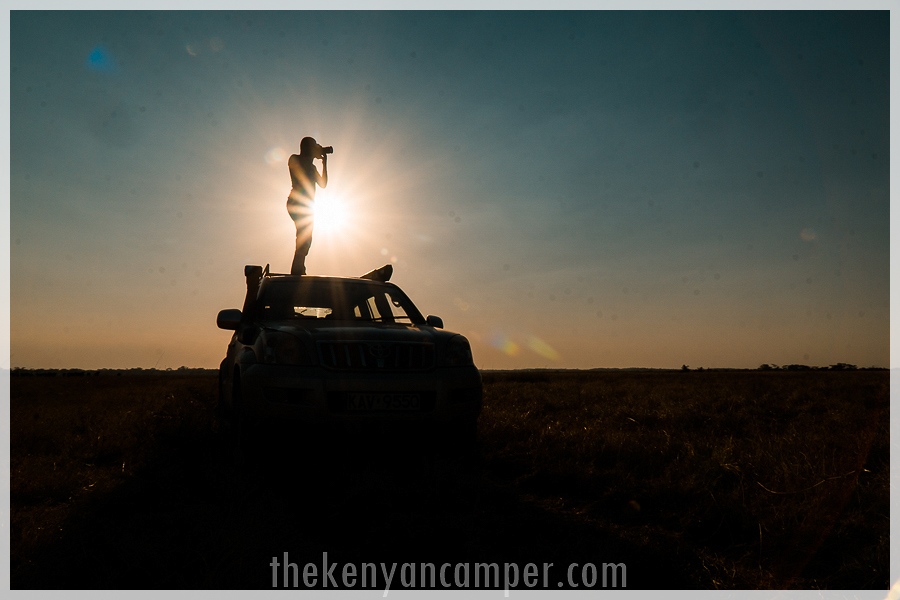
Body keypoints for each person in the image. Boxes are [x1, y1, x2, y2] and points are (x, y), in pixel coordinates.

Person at [287, 136, 328, 275]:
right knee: (303, 236)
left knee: (306, 237)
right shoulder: (295, 159)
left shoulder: (312, 167)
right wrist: (314, 154)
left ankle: (299, 267)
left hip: (307, 206)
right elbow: (299, 170)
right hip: (297, 203)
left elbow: (323, 184)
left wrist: (324, 164)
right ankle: (297, 269)